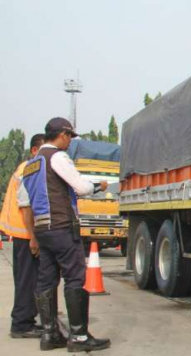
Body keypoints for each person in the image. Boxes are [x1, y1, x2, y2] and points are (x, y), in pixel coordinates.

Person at [20, 118, 110, 352]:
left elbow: (29, 200)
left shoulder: (32, 163)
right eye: (69, 136)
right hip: (61, 227)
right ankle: (79, 336)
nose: (70, 141)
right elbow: (80, 187)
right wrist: (98, 185)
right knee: (75, 277)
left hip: (43, 229)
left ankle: (50, 335)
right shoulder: (57, 157)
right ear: (61, 134)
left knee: (46, 279)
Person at [0, 134, 45, 338]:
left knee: (26, 280)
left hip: (22, 234)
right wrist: (34, 237)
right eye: (44, 150)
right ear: (34, 151)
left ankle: (24, 320)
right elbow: (26, 207)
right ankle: (21, 324)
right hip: (25, 234)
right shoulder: (30, 168)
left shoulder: (25, 168)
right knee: (27, 281)